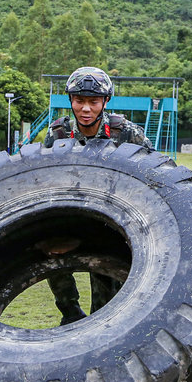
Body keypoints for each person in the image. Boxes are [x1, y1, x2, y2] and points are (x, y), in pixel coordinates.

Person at [43, 66, 153, 324]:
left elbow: (153, 171)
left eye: (93, 102)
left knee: (105, 282)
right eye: (79, 101)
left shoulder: (124, 132)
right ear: (70, 101)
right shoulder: (58, 133)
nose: (85, 109)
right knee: (49, 254)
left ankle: (100, 322)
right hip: (70, 216)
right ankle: (69, 313)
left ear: (105, 102)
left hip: (110, 219)